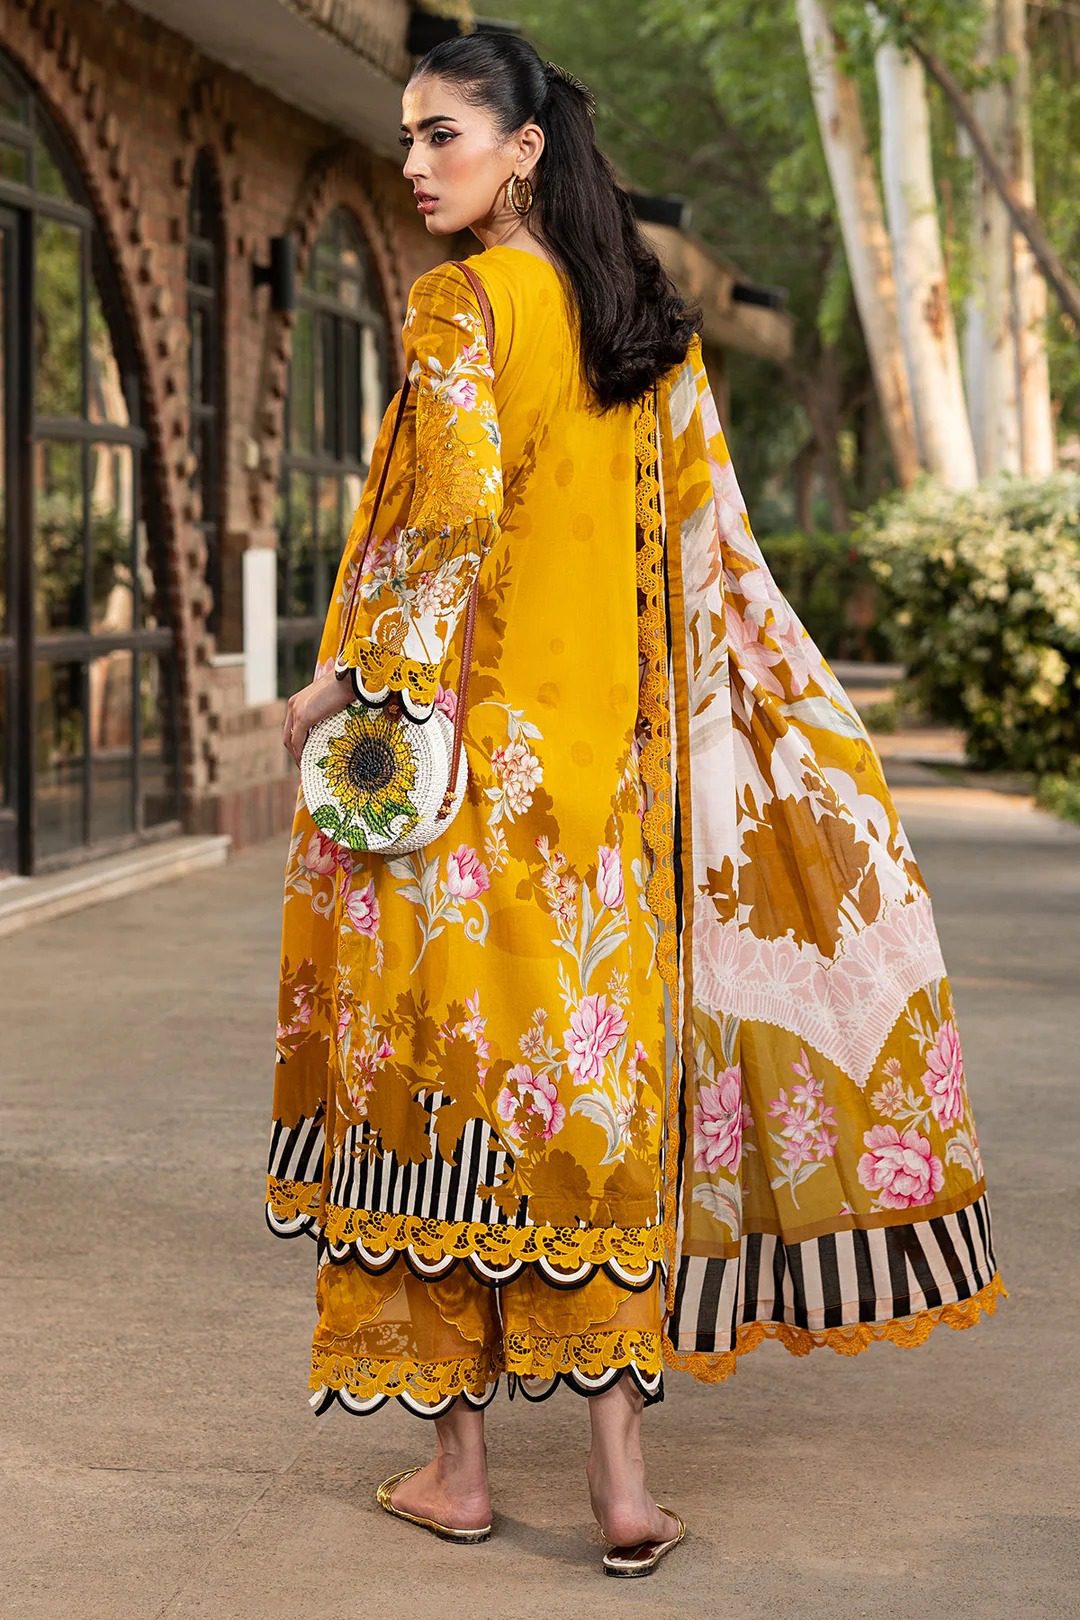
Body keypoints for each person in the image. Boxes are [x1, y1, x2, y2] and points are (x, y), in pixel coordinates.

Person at [268, 31, 1005, 1579]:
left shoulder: (464, 305)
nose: (415, 163)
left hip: (457, 807)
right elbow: (707, 573)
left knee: (431, 1113)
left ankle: (459, 1474)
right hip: (605, 815)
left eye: (443, 133)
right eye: (406, 136)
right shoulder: (641, 332)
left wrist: (338, 686)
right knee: (587, 1126)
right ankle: (620, 1492)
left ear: (523, 147)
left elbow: (448, 524)